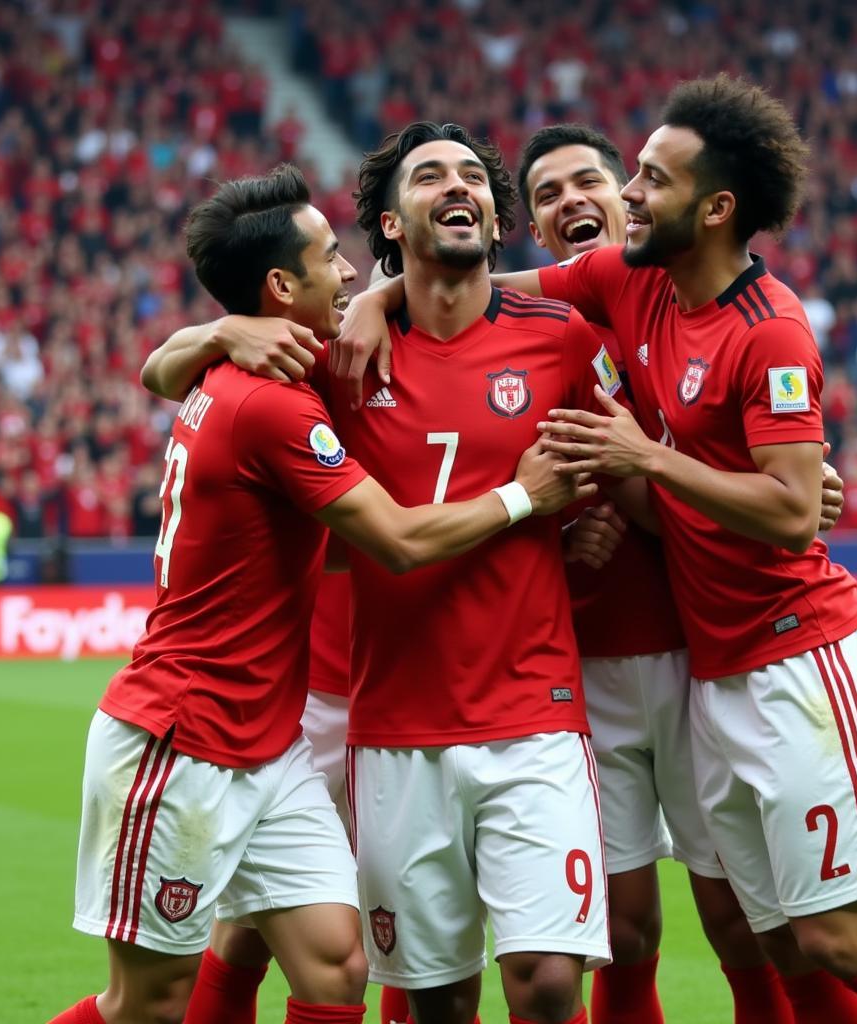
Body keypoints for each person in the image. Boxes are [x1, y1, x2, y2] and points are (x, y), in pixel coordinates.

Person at [345, 78, 857, 1024]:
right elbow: (480, 284)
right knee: (733, 931)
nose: (616, 199)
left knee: (800, 935)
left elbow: (788, 506)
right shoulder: (622, 287)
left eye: (632, 179)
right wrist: (378, 294)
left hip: (769, 647)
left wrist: (681, 471)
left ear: (706, 205)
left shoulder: (762, 328)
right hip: (661, 665)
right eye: (555, 188)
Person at [50, 163, 589, 1024]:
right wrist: (529, 498)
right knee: (146, 1004)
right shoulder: (274, 404)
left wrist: (216, 332)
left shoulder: (257, 371)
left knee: (338, 967)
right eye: (329, 258)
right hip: (185, 734)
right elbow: (400, 541)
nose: (348, 275)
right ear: (279, 285)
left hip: (271, 744)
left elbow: (162, 370)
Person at [517, 122, 841, 1024]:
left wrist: (795, 486)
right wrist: (569, 525)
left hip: (703, 652)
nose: (576, 200)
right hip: (583, 667)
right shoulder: (521, 338)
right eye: (547, 195)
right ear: (536, 231)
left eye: (592, 179)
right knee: (619, 929)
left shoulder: (664, 293)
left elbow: (747, 461)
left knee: (748, 923)